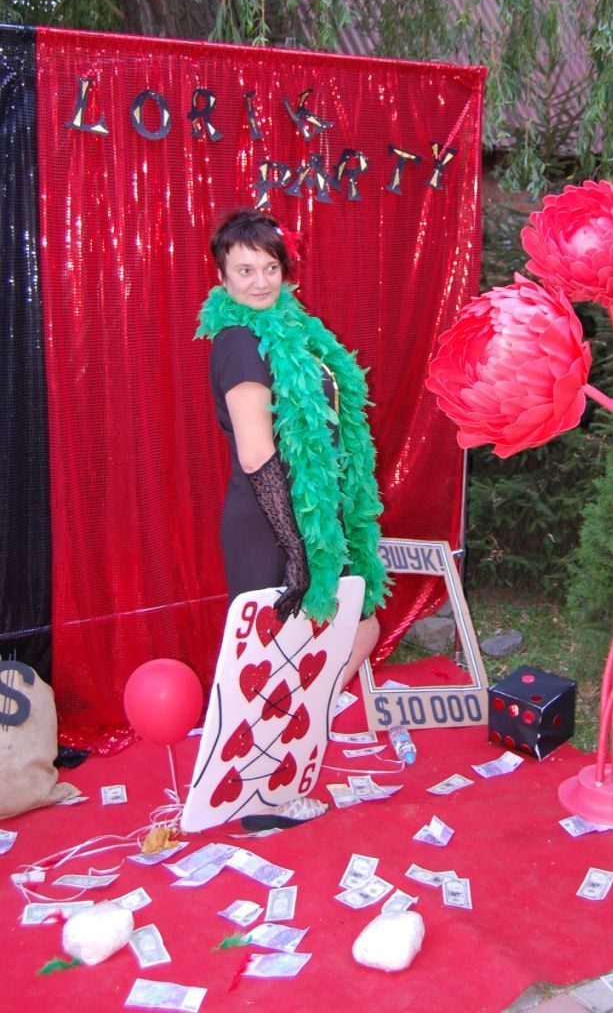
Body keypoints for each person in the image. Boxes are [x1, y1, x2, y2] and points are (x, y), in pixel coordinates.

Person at [196, 208, 389, 828]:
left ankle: (291, 747)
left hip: (310, 519)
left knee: (356, 627)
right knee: (272, 658)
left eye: (269, 268)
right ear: (222, 276)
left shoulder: (295, 330)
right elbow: (257, 452)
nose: (259, 281)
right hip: (269, 524)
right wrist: (297, 546)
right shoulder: (239, 343)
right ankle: (260, 801)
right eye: (244, 270)